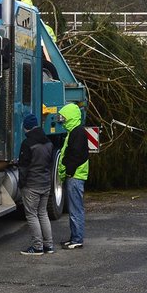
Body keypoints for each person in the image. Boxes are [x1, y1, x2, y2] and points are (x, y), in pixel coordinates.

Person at [17, 113, 56, 255]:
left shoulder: (27, 144)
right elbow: (50, 163)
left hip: (31, 185)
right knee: (43, 214)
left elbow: (23, 167)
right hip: (45, 183)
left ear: (26, 128)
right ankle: (49, 245)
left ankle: (37, 246)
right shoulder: (48, 143)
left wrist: (21, 184)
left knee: (32, 215)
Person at [58, 102, 89, 249]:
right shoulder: (75, 132)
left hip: (75, 176)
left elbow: (75, 155)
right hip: (74, 175)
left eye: (64, 117)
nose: (62, 120)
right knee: (73, 209)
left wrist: (68, 171)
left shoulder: (78, 133)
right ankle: (74, 238)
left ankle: (77, 239)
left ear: (70, 117)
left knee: (76, 209)